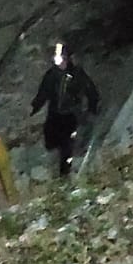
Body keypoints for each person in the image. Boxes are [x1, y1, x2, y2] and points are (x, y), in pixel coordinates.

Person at [30, 41, 99, 177]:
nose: (59, 62)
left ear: (67, 59)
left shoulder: (77, 74)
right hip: (54, 112)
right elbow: (43, 92)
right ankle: (53, 162)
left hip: (70, 114)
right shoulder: (51, 75)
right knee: (50, 138)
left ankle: (64, 173)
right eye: (56, 59)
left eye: (61, 59)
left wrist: (92, 108)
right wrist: (35, 107)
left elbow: (90, 90)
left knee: (66, 144)